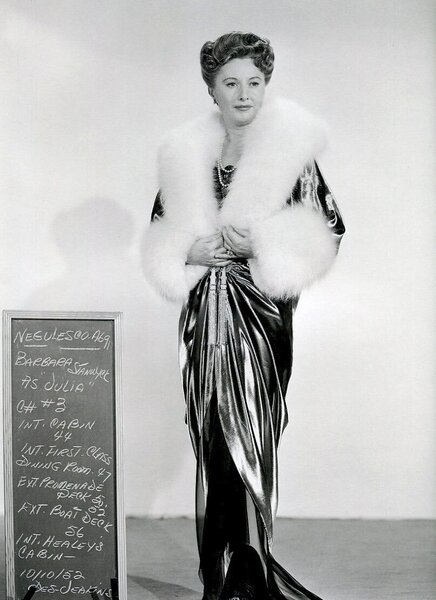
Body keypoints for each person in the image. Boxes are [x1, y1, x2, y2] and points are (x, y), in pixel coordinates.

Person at [143, 32, 345, 600]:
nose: (243, 93)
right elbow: (160, 230)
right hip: (203, 319)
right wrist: (188, 251)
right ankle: (226, 572)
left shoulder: (289, 153)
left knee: (250, 436)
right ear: (211, 89)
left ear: (265, 85)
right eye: (230, 82)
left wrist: (263, 244)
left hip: (260, 318)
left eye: (254, 82)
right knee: (212, 439)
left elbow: (329, 229)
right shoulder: (186, 156)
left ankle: (251, 572)